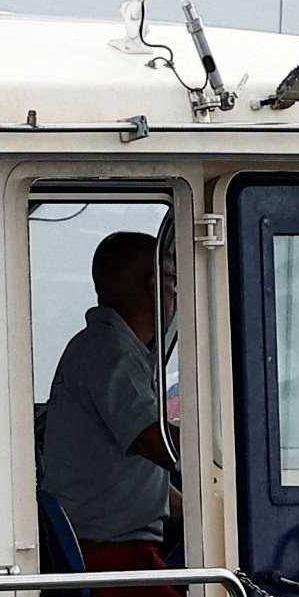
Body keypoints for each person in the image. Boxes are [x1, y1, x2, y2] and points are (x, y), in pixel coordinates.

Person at [37, 228, 179, 560]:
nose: (176, 294)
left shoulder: (118, 351)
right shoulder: (111, 352)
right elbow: (156, 444)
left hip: (113, 542)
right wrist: (226, 461)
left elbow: (133, 478)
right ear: (153, 285)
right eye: (173, 281)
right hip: (109, 553)